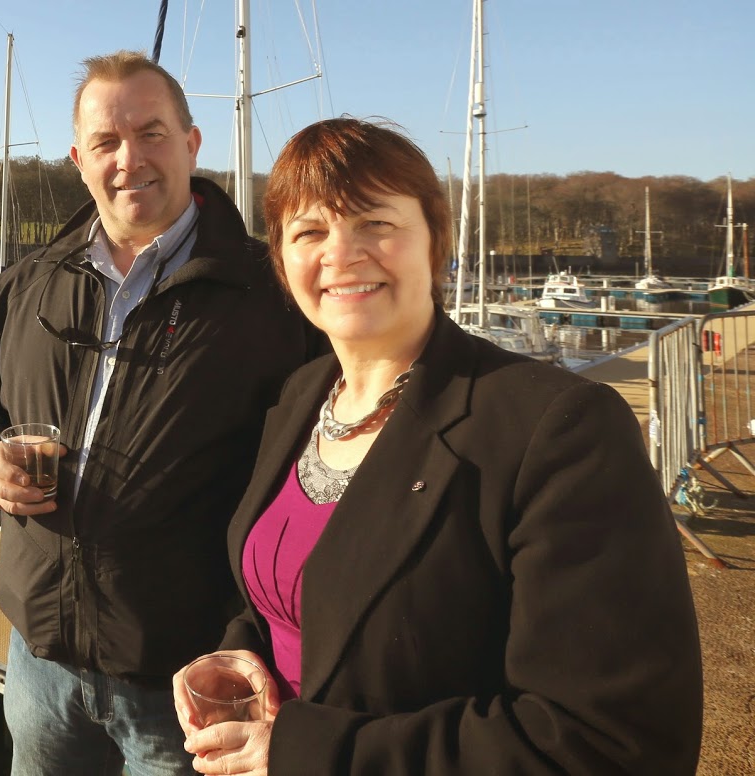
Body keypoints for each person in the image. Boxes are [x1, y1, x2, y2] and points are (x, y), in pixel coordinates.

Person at [172, 117, 702, 775]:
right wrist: (237, 653)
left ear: (436, 243)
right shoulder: (300, 399)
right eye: (310, 232)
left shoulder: (559, 431)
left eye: (376, 223)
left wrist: (311, 753)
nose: (342, 252)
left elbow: (611, 740)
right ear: (281, 263)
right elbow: (290, 595)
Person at [0, 51, 321, 774]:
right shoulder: (25, 286)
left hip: (184, 678)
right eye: (108, 143)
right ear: (79, 159)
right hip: (39, 660)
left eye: (151, 133)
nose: (130, 159)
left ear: (191, 143)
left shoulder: (271, 297)